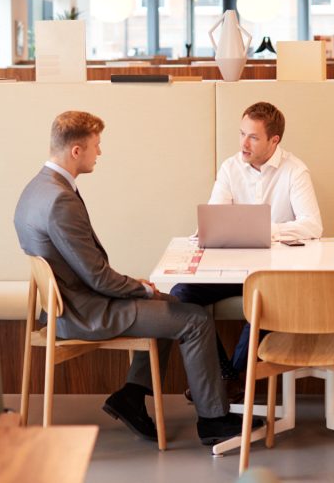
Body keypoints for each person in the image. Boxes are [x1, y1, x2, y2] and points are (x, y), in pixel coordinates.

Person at [13, 110, 257, 446]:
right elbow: (97, 277)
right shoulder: (60, 201)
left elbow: (86, 268)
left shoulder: (37, 188)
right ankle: (213, 421)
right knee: (195, 319)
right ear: (76, 151)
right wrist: (140, 288)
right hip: (83, 312)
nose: (100, 152)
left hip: (70, 303)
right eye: (96, 146)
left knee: (175, 303)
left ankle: (131, 395)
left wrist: (137, 287)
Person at [172, 102, 323, 399]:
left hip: (274, 273)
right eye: (241, 133)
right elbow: (215, 216)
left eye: (253, 137)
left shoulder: (295, 170)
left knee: (263, 298)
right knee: (180, 294)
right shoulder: (230, 167)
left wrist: (266, 230)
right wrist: (207, 231)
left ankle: (237, 378)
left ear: (274, 140)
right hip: (233, 268)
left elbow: (313, 226)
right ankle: (227, 376)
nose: (243, 143)